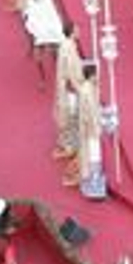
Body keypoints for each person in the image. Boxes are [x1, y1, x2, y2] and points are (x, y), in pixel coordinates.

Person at [54, 23, 84, 177]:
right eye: (77, 29)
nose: (79, 31)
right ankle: (70, 145)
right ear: (72, 32)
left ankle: (68, 143)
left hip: (66, 86)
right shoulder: (68, 49)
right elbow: (72, 71)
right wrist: (80, 88)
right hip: (70, 89)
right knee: (72, 117)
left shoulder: (66, 45)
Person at [76, 63, 108, 200]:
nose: (98, 77)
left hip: (91, 127)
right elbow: (88, 113)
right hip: (90, 129)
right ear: (91, 75)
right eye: (96, 75)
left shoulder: (89, 88)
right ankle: (94, 184)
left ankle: (94, 180)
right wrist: (96, 126)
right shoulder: (86, 91)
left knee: (94, 154)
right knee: (93, 155)